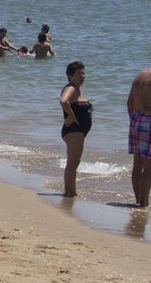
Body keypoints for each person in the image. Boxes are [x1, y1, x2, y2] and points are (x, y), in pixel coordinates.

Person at [59, 61, 91, 198]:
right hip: (73, 130)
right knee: (73, 162)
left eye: (83, 73)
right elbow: (63, 101)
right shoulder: (71, 88)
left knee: (74, 161)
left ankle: (70, 191)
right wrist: (72, 116)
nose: (82, 76)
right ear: (70, 76)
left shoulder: (78, 89)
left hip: (77, 131)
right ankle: (70, 192)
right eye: (78, 74)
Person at [127, 64, 151, 208]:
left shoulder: (139, 76)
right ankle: (144, 203)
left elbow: (129, 103)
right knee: (149, 168)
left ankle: (138, 200)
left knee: (137, 165)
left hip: (136, 119)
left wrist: (135, 120)